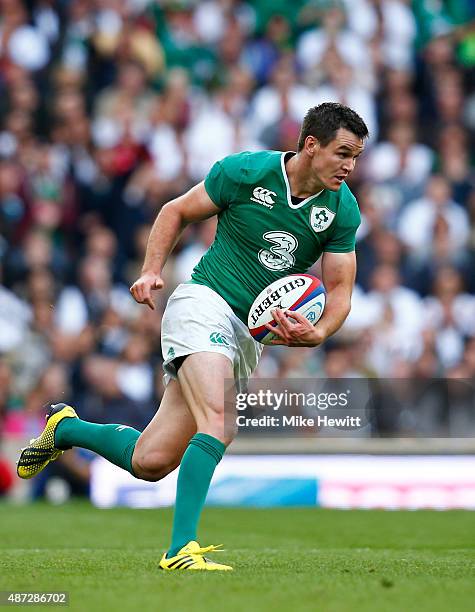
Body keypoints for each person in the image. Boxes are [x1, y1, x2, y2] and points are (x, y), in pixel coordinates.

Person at [17, 103, 368, 571]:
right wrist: (150, 271)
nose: (350, 166)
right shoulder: (245, 172)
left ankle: (67, 428)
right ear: (310, 145)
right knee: (219, 422)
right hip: (202, 304)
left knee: (151, 460)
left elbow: (341, 290)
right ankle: (180, 549)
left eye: (357, 157)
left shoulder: (342, 208)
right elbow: (175, 211)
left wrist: (319, 332)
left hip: (247, 335)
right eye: (343, 153)